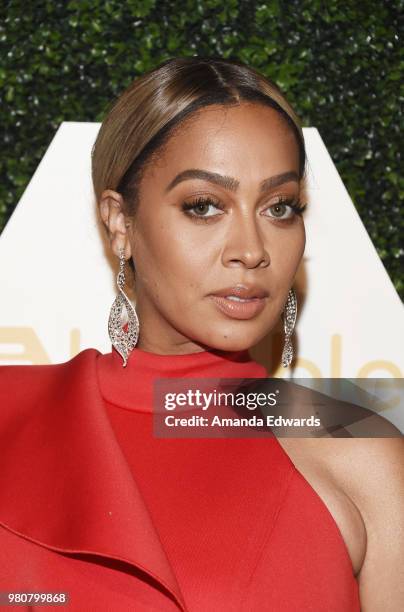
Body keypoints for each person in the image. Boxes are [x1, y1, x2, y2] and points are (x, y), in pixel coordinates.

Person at [0, 56, 403, 612]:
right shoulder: (13, 415)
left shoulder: (360, 449)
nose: (252, 249)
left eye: (280, 207)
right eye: (204, 206)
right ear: (121, 223)